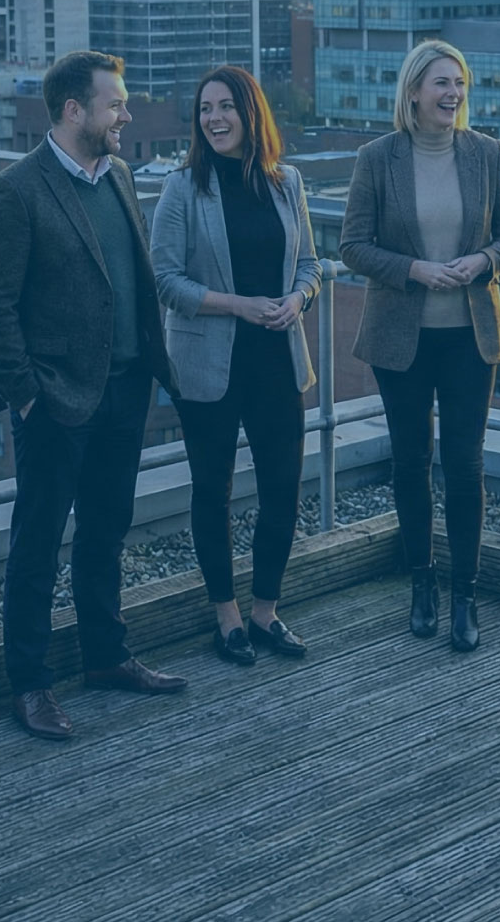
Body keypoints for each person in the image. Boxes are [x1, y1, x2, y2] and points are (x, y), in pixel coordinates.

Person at [0, 50, 186, 743]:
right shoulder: (16, 191)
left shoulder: (119, 174)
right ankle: (29, 684)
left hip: (125, 390)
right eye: (115, 103)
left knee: (105, 532)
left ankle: (105, 656)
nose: (126, 113)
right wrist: (26, 396)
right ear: (73, 110)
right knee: (37, 545)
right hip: (57, 402)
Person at [340, 40, 500, 650]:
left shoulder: (487, 153)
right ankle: (422, 583)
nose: (454, 95)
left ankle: (464, 594)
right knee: (411, 463)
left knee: (466, 465)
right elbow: (352, 246)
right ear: (414, 91)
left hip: (470, 337)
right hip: (403, 339)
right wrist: (413, 270)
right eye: (442, 84)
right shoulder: (377, 157)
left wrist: (481, 261)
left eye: (461, 84)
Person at [151, 65, 322, 665]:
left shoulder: (287, 182)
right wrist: (239, 306)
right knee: (212, 494)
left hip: (278, 359)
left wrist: (297, 299)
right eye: (205, 109)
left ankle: (265, 612)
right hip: (208, 367)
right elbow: (164, 279)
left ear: (251, 113)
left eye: (226, 106)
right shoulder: (183, 187)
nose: (214, 118)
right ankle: (225, 619)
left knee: (282, 490)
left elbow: (310, 265)